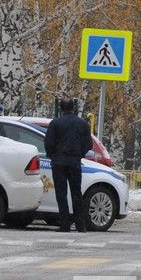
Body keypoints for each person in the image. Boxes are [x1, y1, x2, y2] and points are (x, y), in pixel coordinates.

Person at [44, 98, 93, 232]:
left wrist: (52, 155)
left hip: (58, 163)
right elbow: (89, 144)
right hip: (74, 162)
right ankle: (80, 225)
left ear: (61, 108)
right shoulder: (82, 124)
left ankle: (64, 225)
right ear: (73, 108)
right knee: (76, 193)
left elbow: (48, 142)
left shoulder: (55, 123)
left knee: (61, 193)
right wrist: (79, 154)